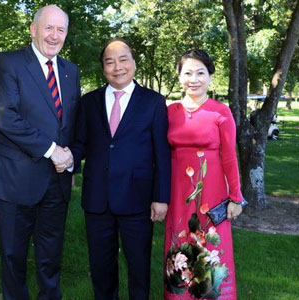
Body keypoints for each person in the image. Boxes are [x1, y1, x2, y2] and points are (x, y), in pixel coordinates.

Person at [0, 5, 80, 300]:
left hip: (56, 182)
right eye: (48, 28)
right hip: (15, 181)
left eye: (61, 30)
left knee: (51, 258)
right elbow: (8, 119)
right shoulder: (9, 63)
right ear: (33, 29)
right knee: (13, 258)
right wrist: (53, 151)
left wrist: (70, 159)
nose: (54, 36)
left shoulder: (70, 71)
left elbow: (71, 123)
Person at [69, 38, 171, 300]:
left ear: (134, 63)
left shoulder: (154, 102)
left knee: (139, 266)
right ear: (103, 67)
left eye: (123, 59)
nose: (117, 67)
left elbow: (161, 153)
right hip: (97, 199)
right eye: (109, 61)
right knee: (101, 268)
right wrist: (68, 165)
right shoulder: (88, 102)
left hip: (137, 199)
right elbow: (80, 143)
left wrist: (161, 197)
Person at [163, 49, 243, 300]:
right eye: (187, 73)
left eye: (200, 72)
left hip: (212, 193)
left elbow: (230, 157)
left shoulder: (221, 112)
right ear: (179, 77)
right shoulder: (169, 112)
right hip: (177, 193)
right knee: (179, 244)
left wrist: (236, 197)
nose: (193, 79)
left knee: (210, 245)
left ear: (210, 77)